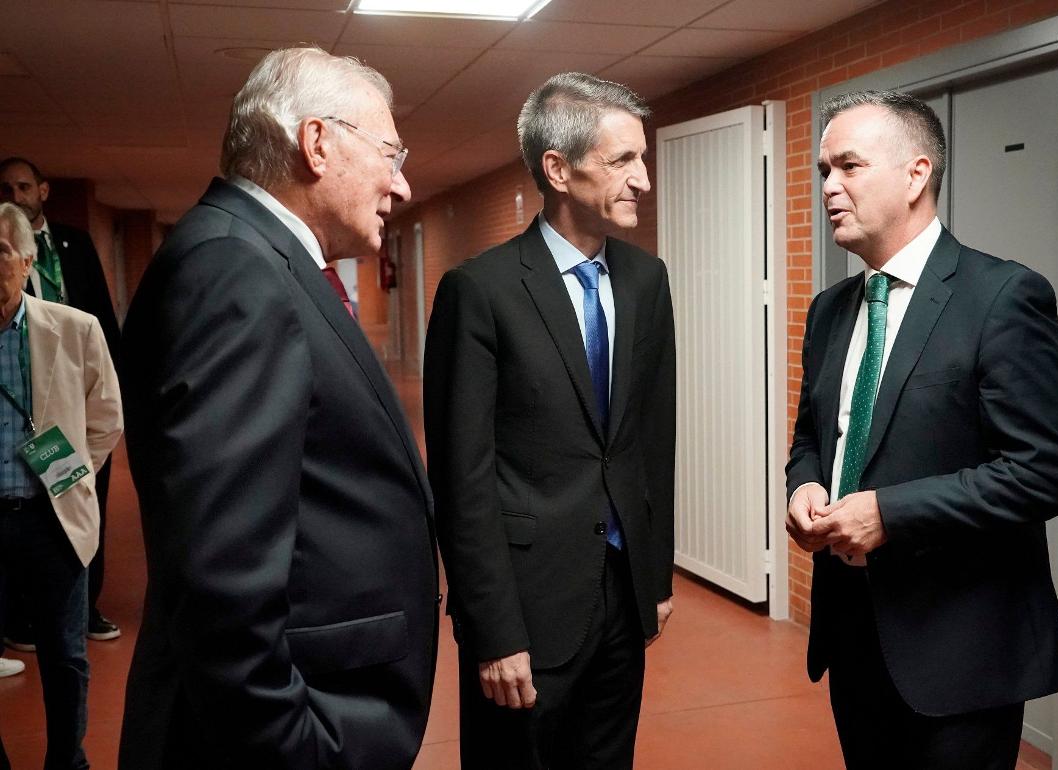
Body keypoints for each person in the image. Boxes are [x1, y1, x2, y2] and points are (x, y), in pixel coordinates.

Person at [117, 47, 438, 770]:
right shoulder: (235, 270)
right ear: (317, 143)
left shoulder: (261, 260)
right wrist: (298, 749)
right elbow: (222, 581)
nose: (403, 183)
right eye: (390, 153)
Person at [785, 90, 1058, 769]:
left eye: (849, 166)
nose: (829, 187)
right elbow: (811, 437)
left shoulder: (1003, 297)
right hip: (855, 631)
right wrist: (804, 485)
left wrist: (890, 512)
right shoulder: (830, 310)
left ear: (916, 174)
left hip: (961, 650)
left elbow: (1046, 471)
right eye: (824, 170)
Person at [424, 71, 676, 769]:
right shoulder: (480, 291)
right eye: (623, 160)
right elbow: (462, 477)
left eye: (642, 159)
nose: (643, 180)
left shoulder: (646, 281)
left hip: (622, 593)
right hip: (526, 608)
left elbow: (652, 440)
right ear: (558, 170)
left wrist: (654, 579)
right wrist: (492, 629)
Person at [0, 202, 122, 770]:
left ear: (27, 260)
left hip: (50, 519)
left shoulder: (75, 329)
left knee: (64, 654)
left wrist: (68, 476)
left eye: (0, 252)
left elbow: (107, 418)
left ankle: (65, 759)